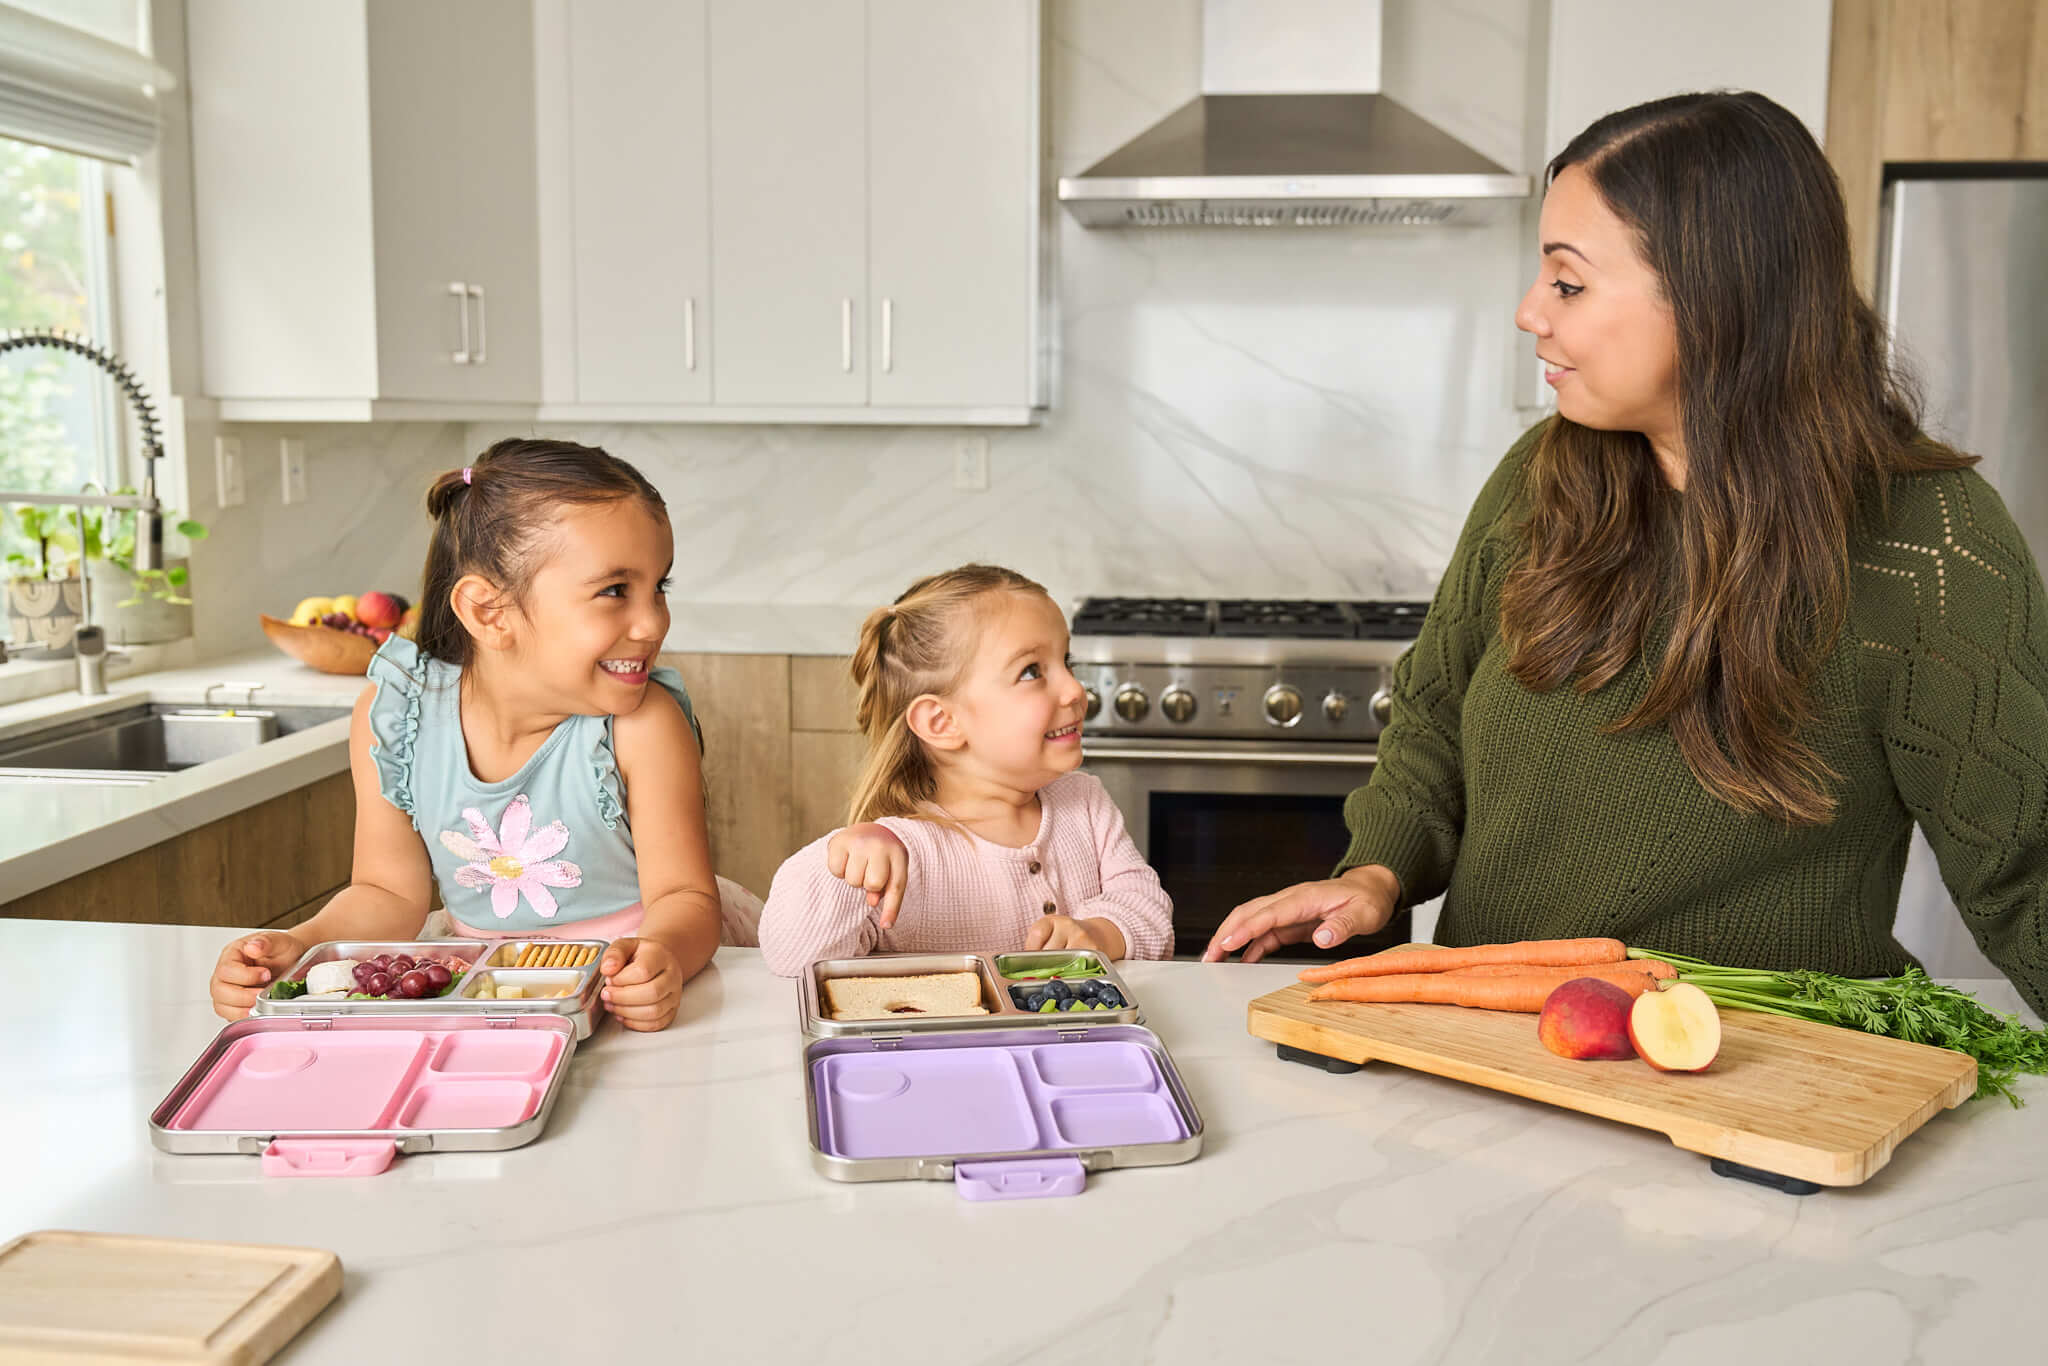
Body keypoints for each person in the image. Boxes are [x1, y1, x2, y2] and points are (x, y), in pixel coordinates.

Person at [1204, 91, 2048, 1018]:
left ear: (1719, 295)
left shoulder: (1925, 543)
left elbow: (2027, 866)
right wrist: (1377, 871)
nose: (1531, 312)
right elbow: (1436, 715)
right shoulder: (1543, 478)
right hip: (1495, 1061)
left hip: (1761, 1094)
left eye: (1568, 283)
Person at [210, 437, 740, 1030]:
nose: (653, 622)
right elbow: (386, 893)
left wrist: (660, 956)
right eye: (615, 591)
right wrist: (300, 947)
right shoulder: (395, 720)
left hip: (629, 998)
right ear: (489, 612)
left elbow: (686, 900)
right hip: (489, 1000)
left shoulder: (643, 725)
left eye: (658, 587)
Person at [760, 564, 1172, 976]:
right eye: (1032, 671)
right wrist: (844, 861)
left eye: (1067, 661)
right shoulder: (901, 852)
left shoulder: (1085, 803)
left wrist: (1098, 933)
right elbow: (792, 958)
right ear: (942, 723)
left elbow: (1149, 910)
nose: (1075, 689)